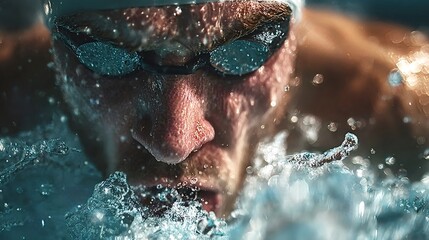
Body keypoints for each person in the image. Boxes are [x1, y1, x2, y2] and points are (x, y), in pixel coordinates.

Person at [1, 0, 428, 218]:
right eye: (106, 57)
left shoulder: (399, 105)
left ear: (293, 36)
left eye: (242, 53)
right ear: (55, 47)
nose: (173, 142)